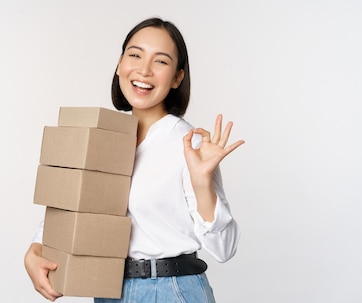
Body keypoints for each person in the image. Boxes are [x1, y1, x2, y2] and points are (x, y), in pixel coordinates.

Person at [24, 17, 244, 302]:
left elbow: (224, 250)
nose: (144, 70)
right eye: (135, 55)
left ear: (178, 77)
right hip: (108, 289)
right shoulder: (105, 137)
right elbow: (76, 207)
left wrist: (202, 183)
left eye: (161, 61)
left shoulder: (190, 145)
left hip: (170, 290)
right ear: (119, 64)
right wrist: (36, 249)